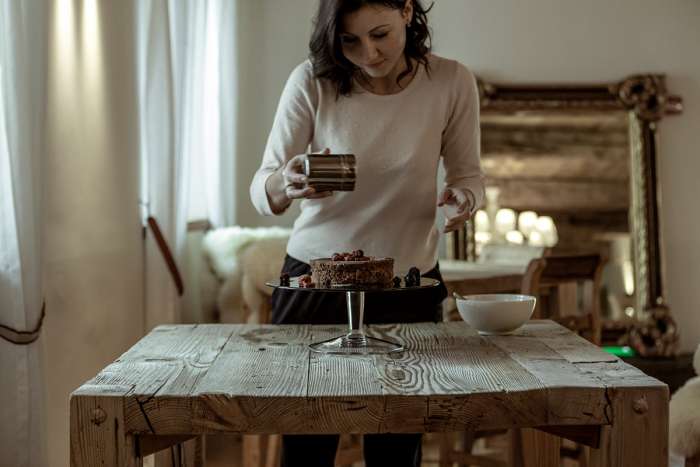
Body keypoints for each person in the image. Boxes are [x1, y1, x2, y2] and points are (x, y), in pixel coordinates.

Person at [249, 0, 484, 465]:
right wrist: (285, 182)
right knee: (306, 448)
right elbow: (262, 188)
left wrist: (464, 200)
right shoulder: (312, 81)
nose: (368, 54)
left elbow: (468, 177)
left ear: (406, 10)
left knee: (398, 449)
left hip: (408, 283)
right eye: (350, 41)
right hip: (315, 283)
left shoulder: (452, 81)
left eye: (380, 34)